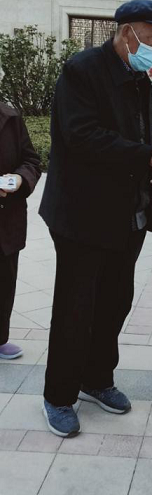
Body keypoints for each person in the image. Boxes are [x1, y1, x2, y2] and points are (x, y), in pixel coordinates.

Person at [39, 0, 152, 438]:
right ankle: (58, 396)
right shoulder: (82, 70)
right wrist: (143, 156)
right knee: (76, 308)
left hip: (127, 214)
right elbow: (81, 136)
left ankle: (97, 379)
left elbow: (138, 137)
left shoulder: (139, 78)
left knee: (115, 302)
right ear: (126, 32)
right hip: (82, 216)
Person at [0, 103, 41, 360]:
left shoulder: (10, 116)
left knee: (4, 281)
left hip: (6, 219)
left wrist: (19, 179)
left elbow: (31, 160)